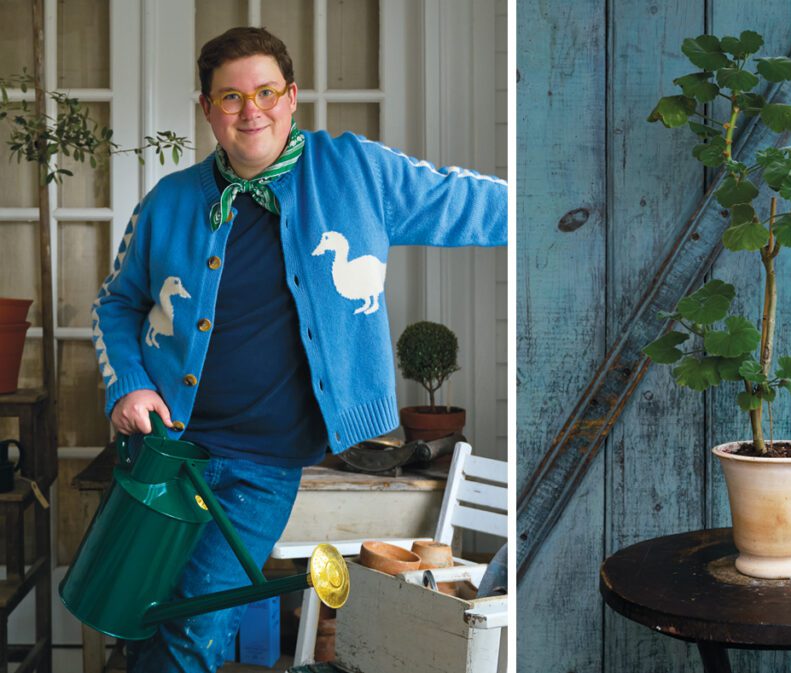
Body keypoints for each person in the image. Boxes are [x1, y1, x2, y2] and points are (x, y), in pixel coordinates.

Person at [91, 26, 507, 672]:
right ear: (206, 108)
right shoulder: (168, 201)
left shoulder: (355, 170)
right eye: (229, 97)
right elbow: (115, 303)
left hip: (263, 463)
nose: (249, 110)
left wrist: (559, 205)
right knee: (138, 610)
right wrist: (129, 386)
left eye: (264, 92)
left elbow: (466, 201)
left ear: (290, 98)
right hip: (168, 454)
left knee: (194, 622)